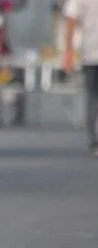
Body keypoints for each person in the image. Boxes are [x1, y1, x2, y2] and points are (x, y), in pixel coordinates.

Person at [63, 0, 98, 156]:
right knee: (92, 97)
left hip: (90, 53)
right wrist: (69, 52)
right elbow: (71, 22)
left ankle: (93, 140)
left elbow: (71, 21)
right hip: (91, 53)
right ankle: (93, 139)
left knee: (92, 96)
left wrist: (68, 52)